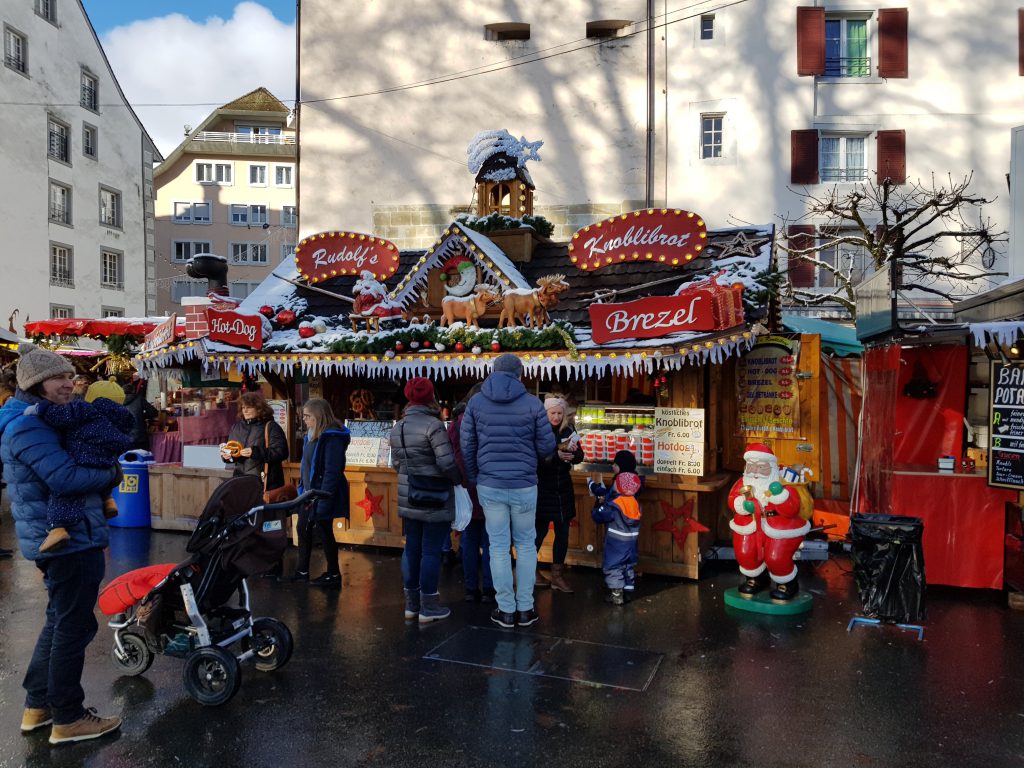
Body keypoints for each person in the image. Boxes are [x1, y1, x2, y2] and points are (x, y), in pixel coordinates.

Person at [0, 343, 122, 743]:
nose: (70, 384)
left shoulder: (39, 420)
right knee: (74, 627)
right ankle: (68, 717)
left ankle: (39, 706)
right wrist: (108, 473)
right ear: (36, 384)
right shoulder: (27, 426)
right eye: (60, 377)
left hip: (72, 539)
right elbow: (65, 479)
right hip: (69, 543)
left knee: (59, 623)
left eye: (71, 376)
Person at [461, 354, 557, 629]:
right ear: (519, 374)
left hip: (489, 484)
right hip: (524, 484)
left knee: (499, 546)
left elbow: (467, 445)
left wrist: (475, 477)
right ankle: (525, 609)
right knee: (526, 544)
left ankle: (505, 610)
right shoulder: (532, 403)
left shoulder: (476, 402)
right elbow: (547, 446)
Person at [34, 378, 135, 553]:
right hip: (104, 460)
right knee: (107, 472)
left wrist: (41, 408)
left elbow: (60, 416)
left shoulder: (85, 409)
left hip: (81, 456)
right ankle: (109, 501)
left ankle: (57, 528)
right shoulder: (121, 419)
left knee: (63, 494)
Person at [391, 377, 462, 622]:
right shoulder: (433, 425)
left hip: (409, 494)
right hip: (434, 496)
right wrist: (457, 479)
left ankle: (412, 605)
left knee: (412, 548)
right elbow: (446, 463)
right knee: (431, 550)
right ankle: (429, 605)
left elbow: (396, 464)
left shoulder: (398, 426)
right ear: (430, 397)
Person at [727, 443, 807, 602]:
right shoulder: (742, 484)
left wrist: (780, 497)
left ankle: (787, 583)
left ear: (771, 467)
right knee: (746, 553)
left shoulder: (783, 483)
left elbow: (793, 508)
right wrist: (742, 505)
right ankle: (757, 579)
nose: (755, 472)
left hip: (777, 526)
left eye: (761, 467)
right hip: (750, 524)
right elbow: (732, 500)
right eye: (751, 466)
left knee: (776, 557)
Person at [292, 398, 350, 587]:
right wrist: (302, 488)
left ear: (318, 416)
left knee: (324, 531)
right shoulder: (312, 435)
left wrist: (324, 498)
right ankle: (302, 571)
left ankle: (333, 574)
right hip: (309, 493)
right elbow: (306, 465)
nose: (305, 420)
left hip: (322, 493)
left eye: (308, 416)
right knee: (303, 528)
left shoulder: (332, 438)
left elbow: (332, 471)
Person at [447, 383, 494, 603]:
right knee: (491, 541)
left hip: (464, 486)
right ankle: (489, 588)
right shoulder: (488, 421)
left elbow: (447, 454)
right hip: (488, 484)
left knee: (469, 540)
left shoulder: (455, 424)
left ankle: (470, 588)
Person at [535, 396, 584, 593]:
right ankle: (531, 571)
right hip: (543, 488)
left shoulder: (568, 431)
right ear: (545, 413)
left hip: (563, 488)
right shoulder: (539, 432)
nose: (556, 417)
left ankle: (557, 575)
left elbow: (580, 456)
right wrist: (556, 456)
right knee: (539, 532)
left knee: (563, 533)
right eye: (552, 413)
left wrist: (573, 453)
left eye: (559, 413)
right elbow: (537, 460)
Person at [590, 450, 643, 606]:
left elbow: (599, 516)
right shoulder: (636, 503)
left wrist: (598, 504)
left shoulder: (614, 505)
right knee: (628, 565)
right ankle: (627, 592)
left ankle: (616, 593)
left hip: (615, 542)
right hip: (632, 542)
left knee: (613, 566)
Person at [121, 377, 157, 451]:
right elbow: (153, 412)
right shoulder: (139, 399)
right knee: (143, 459)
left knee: (127, 460)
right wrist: (142, 416)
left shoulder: (118, 402)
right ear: (134, 391)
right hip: (140, 437)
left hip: (125, 438)